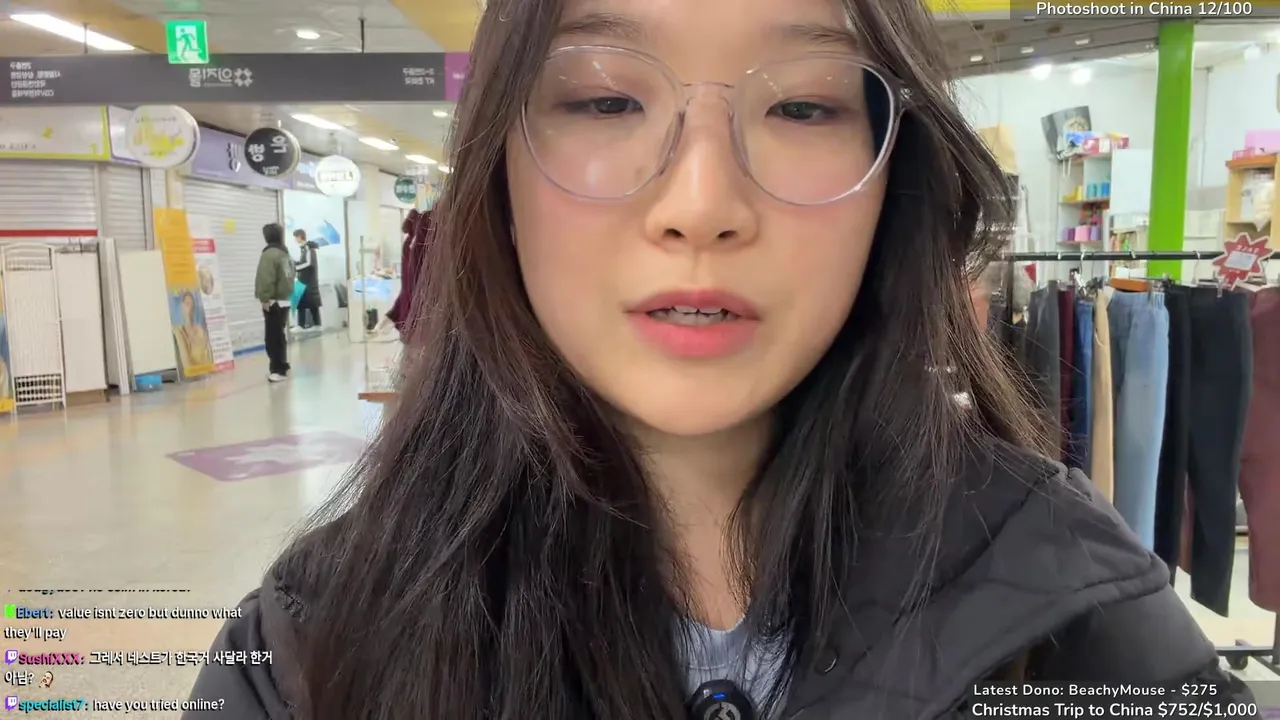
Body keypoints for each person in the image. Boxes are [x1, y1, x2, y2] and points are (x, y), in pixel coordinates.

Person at [188, 0, 1255, 716]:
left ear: (895, 176)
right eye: (604, 99)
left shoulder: (1076, 608)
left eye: (802, 105)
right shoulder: (307, 650)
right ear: (497, 173)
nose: (700, 205)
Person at [255, 223, 294, 383]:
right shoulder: (285, 253)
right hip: (285, 300)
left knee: (272, 338)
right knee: (280, 335)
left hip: (273, 301)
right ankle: (283, 365)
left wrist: (264, 298)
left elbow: (265, 278)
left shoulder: (269, 255)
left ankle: (278, 370)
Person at [173, 290, 213, 370]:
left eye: (192, 305)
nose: (190, 308)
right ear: (182, 306)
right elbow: (187, 365)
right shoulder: (179, 331)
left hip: (208, 372)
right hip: (194, 375)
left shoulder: (202, 330)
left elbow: (210, 358)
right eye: (187, 304)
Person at [292, 228, 322, 330]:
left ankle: (317, 324)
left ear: (300, 236)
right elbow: (304, 262)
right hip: (303, 280)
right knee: (301, 302)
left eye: (296, 237)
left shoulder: (309, 249)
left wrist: (297, 268)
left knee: (312, 303)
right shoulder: (304, 249)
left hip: (309, 281)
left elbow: (309, 263)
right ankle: (301, 325)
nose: (295, 240)